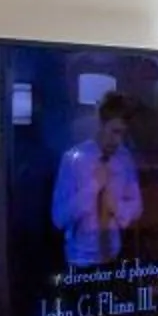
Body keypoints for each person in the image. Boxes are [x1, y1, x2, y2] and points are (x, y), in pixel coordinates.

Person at [52, 92, 141, 268]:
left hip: (115, 258)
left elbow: (137, 207)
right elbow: (59, 217)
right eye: (114, 132)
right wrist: (93, 187)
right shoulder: (74, 159)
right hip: (79, 260)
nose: (118, 140)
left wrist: (115, 207)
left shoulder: (125, 159)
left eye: (123, 134)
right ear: (101, 124)